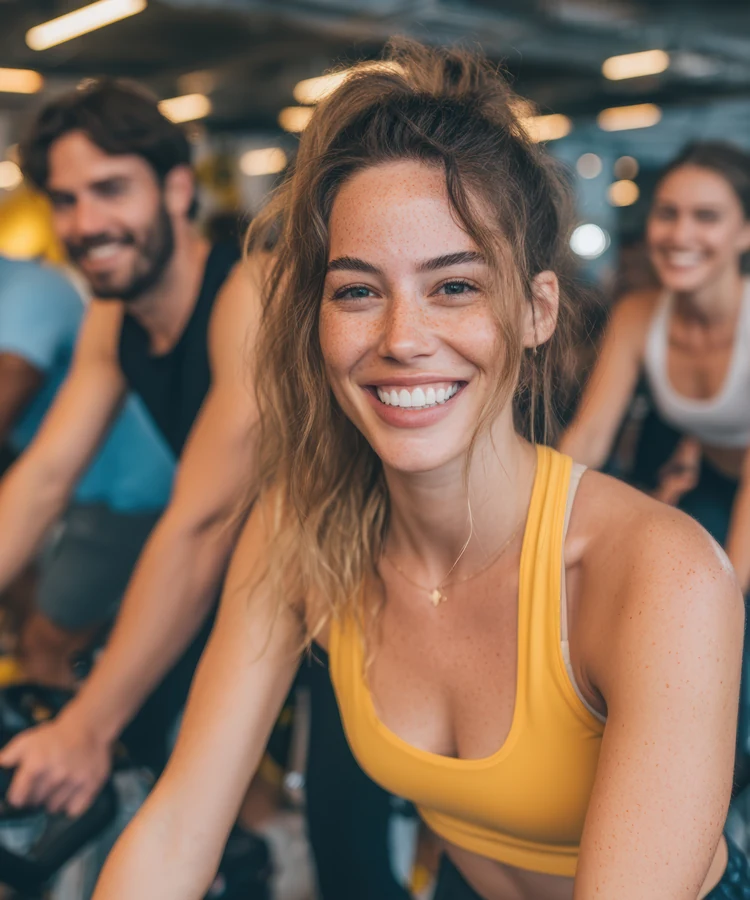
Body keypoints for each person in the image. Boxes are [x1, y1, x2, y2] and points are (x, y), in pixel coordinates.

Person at [91, 41, 746, 900]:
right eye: (358, 291)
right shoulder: (304, 526)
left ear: (536, 310)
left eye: (455, 287)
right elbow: (179, 826)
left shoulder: (662, 576)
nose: (401, 339)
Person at [0, 78, 407, 900]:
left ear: (178, 189)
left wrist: (88, 726)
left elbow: (202, 519)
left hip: (364, 580)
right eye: (66, 200)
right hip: (259, 579)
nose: (85, 223)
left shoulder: (246, 293)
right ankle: (251, 853)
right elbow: (43, 478)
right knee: (151, 756)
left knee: (348, 848)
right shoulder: (116, 318)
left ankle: (283, 845)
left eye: (111, 189)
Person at [561, 142, 750, 582]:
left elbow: (737, 571)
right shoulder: (637, 314)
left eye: (706, 216)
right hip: (712, 481)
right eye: (667, 213)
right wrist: (533, 525)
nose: (680, 234)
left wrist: (731, 592)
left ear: (744, 232)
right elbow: (587, 439)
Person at [0, 253, 174, 686]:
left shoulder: (29, 291)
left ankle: (77, 716)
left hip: (127, 494)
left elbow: (12, 381)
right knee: (27, 604)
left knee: (46, 644)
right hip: (77, 493)